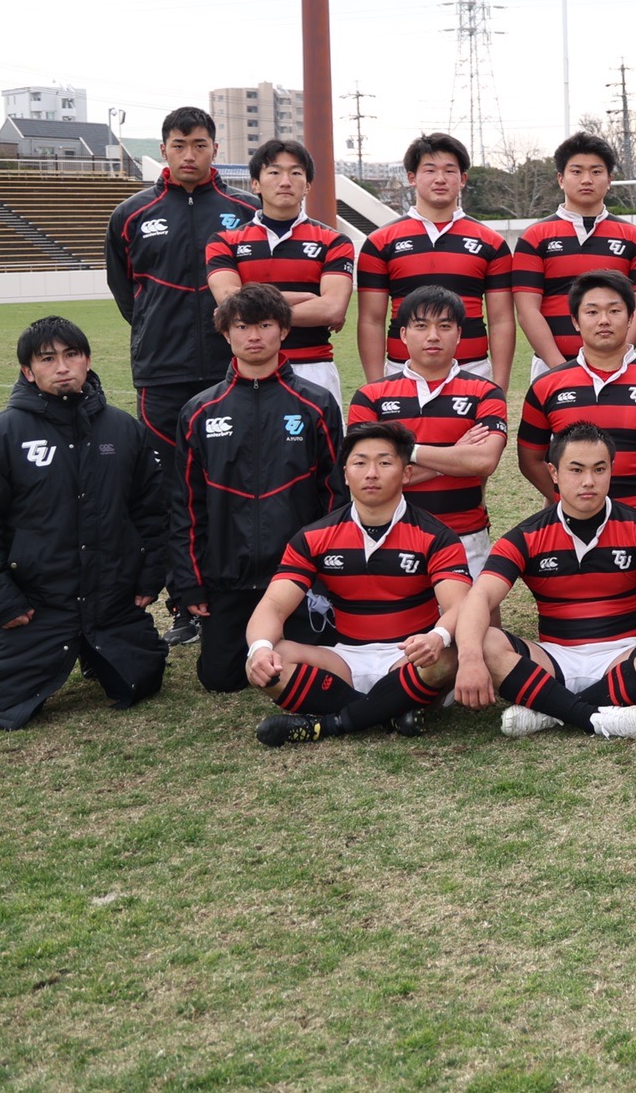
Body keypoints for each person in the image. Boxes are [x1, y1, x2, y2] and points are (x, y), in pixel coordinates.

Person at [0, 316, 169, 730]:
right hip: (38, 605)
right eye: (47, 359)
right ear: (28, 371)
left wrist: (147, 579)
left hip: (109, 600)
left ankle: (92, 649)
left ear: (87, 361)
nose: (62, 367)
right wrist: (2, 603)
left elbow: (151, 512)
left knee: (144, 679)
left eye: (71, 355)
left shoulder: (125, 430)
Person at [104, 104, 259, 650]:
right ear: (164, 150)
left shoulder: (246, 210)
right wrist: (158, 334)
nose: (189, 155)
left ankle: (243, 593)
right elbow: (128, 295)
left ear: (216, 148)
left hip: (234, 369)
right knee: (173, 487)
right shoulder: (129, 214)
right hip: (162, 374)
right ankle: (184, 604)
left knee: (236, 481)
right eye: (178, 145)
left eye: (199, 144)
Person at [450, 424, 636, 740]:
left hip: (621, 656)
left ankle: (549, 711)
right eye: (576, 470)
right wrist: (468, 658)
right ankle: (597, 715)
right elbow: (479, 598)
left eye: (599, 469)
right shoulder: (526, 535)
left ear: (611, 470)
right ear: (553, 472)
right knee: (483, 643)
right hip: (553, 658)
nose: (588, 481)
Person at [243, 421, 471, 746]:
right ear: (346, 473)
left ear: (406, 473)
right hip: (344, 659)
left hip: (408, 658)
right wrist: (260, 649)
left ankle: (334, 723)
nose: (371, 473)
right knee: (271, 657)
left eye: (384, 462)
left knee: (449, 656)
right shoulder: (314, 536)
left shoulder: (436, 536)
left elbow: (459, 605)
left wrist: (437, 637)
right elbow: (274, 605)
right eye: (360, 463)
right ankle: (390, 713)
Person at [174, 284, 345, 692]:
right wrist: (191, 581)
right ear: (225, 333)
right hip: (228, 578)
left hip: (297, 578)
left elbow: (335, 495)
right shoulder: (200, 411)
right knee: (220, 680)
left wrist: (327, 573)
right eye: (242, 326)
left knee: (306, 669)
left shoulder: (316, 404)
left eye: (265, 325)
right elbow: (186, 504)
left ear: (284, 331)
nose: (254, 336)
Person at [518, 271, 636, 625]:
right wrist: (565, 497)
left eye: (615, 310)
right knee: (579, 622)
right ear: (574, 320)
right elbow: (529, 458)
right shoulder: (547, 385)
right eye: (591, 312)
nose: (603, 320)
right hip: (571, 523)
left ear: (631, 317)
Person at [348, 286, 509, 574]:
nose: (433, 336)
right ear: (403, 335)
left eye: (444, 326)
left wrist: (403, 453)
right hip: (392, 531)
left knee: (476, 618)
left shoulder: (486, 393)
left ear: (459, 334)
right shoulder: (370, 396)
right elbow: (368, 476)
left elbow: (484, 461)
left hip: (466, 535)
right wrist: (455, 456)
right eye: (421, 326)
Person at [204, 138, 356, 406]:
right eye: (274, 172)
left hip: (314, 368)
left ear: (307, 185)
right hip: (249, 370)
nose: (285, 181)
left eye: (296, 173)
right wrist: (307, 298)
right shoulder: (224, 241)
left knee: (320, 449)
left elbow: (332, 309)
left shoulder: (333, 241)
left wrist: (250, 310)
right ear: (255, 183)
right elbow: (229, 300)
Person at [355, 132, 514, 386]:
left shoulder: (491, 242)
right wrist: (376, 387)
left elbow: (502, 319)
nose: (440, 179)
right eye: (429, 170)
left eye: (449, 171)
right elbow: (371, 320)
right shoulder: (380, 242)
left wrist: (500, 387)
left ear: (462, 179)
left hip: (473, 371)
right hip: (401, 371)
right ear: (412, 177)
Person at [508, 132, 636, 380]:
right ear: (560, 179)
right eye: (577, 171)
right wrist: (559, 369)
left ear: (609, 179)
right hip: (550, 368)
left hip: (617, 368)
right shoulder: (535, 237)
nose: (587, 179)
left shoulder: (634, 238)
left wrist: (615, 360)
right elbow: (527, 311)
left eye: (596, 172)